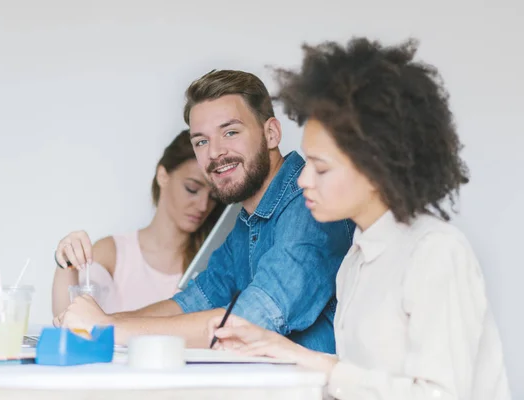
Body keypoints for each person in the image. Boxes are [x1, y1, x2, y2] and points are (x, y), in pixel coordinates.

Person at [207, 38, 511, 399]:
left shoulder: (436, 252)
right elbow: (360, 382)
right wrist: (279, 350)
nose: (303, 178)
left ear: (375, 170)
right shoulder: (356, 260)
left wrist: (317, 364)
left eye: (320, 167)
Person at [53, 69, 355, 351]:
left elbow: (249, 322)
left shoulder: (309, 207)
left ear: (272, 133)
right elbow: (194, 302)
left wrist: (107, 328)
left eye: (231, 132)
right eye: (201, 141)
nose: (214, 153)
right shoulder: (246, 222)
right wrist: (105, 323)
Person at [52, 130, 225, 317]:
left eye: (214, 196)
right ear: (163, 176)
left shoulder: (212, 265)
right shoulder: (114, 253)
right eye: (192, 189)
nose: (203, 205)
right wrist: (66, 262)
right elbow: (66, 318)